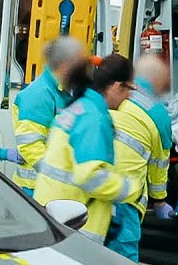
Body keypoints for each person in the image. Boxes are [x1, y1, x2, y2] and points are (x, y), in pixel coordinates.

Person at [33, 54, 136, 243]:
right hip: (74, 229)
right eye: (130, 88)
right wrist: (128, 188)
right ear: (117, 86)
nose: (129, 96)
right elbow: (90, 177)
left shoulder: (80, 108)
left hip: (55, 220)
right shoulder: (93, 118)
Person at [105, 53, 175, 262]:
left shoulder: (112, 94)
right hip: (126, 195)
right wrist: (160, 201)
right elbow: (159, 166)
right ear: (160, 82)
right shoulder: (159, 114)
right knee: (124, 262)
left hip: (96, 185)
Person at [9, 36, 92, 194]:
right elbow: (30, 147)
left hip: (48, 188)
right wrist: (64, 179)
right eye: (80, 64)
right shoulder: (39, 95)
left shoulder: (62, 91)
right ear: (66, 64)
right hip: (36, 190)